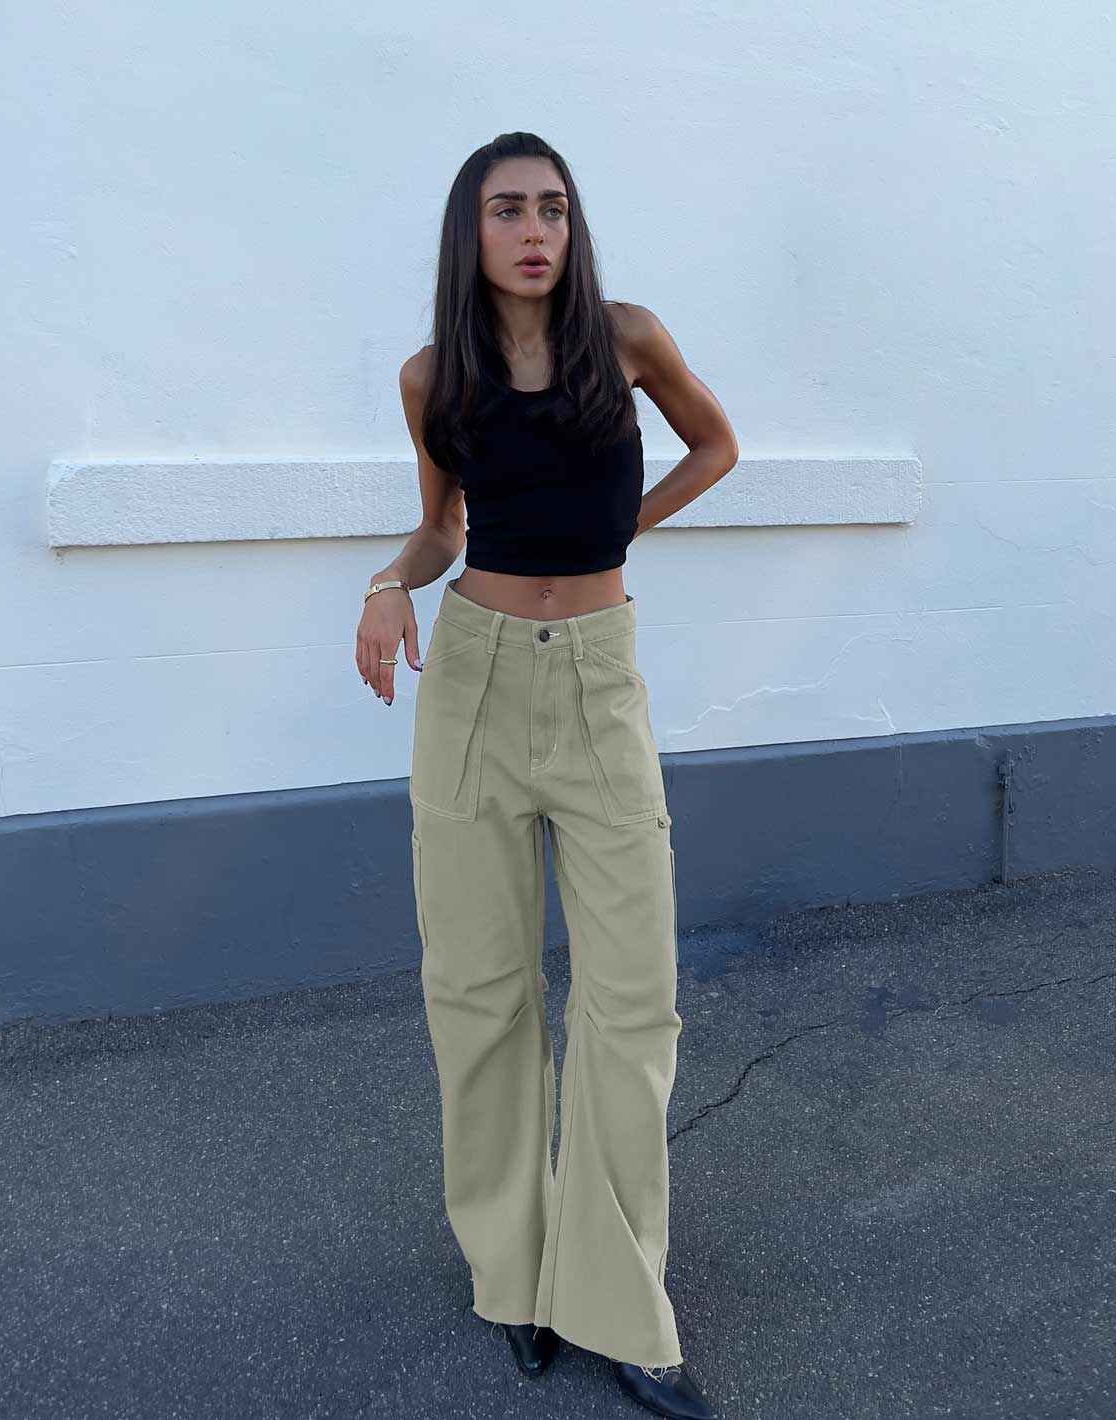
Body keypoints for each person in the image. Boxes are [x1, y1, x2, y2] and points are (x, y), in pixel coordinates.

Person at [355, 131, 739, 1419]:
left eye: (554, 210)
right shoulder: (433, 376)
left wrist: (620, 526)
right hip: (471, 685)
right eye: (509, 210)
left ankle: (620, 1302)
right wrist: (386, 584)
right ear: (469, 232)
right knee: (479, 991)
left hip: (597, 683)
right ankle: (511, 1277)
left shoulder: (625, 340)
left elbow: (715, 445)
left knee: (633, 997)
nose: (535, 232)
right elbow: (440, 529)